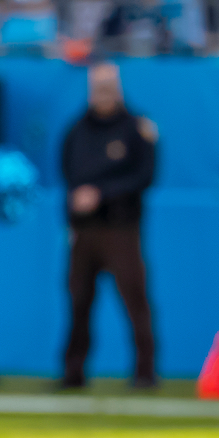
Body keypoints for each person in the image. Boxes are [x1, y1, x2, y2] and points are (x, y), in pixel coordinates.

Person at [59, 62, 159, 389]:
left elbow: (144, 176)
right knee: (79, 301)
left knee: (134, 298)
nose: (102, 94)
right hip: (84, 230)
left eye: (108, 87)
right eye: (97, 87)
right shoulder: (77, 130)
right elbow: (68, 173)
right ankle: (73, 370)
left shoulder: (136, 128)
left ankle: (145, 370)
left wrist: (101, 194)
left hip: (121, 227)